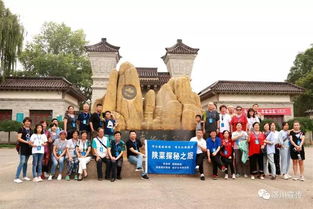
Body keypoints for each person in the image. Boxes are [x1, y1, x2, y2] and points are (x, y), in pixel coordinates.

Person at [14, 117, 33, 183]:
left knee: (25, 163)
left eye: (29, 121)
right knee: (22, 162)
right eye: (26, 121)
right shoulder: (21, 129)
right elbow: (19, 138)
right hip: (22, 147)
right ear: (24, 122)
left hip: (29, 148)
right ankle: (16, 177)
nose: (28, 122)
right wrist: (27, 142)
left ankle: (24, 176)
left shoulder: (31, 129)